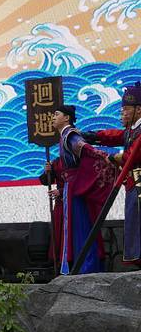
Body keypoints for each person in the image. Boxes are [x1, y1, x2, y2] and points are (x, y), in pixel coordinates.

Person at [40, 105, 115, 274]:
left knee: (79, 225)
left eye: (56, 114)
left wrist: (107, 158)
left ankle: (85, 267)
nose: (53, 117)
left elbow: (86, 149)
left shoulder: (70, 135)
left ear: (66, 118)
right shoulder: (65, 136)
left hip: (74, 187)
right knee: (75, 226)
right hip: (71, 186)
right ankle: (80, 265)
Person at [82, 82, 141, 264]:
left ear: (138, 110)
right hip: (132, 183)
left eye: (126, 109)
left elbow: (132, 155)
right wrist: (94, 136)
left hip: (139, 184)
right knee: (133, 222)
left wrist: (113, 157)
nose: (123, 113)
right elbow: (116, 135)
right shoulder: (132, 130)